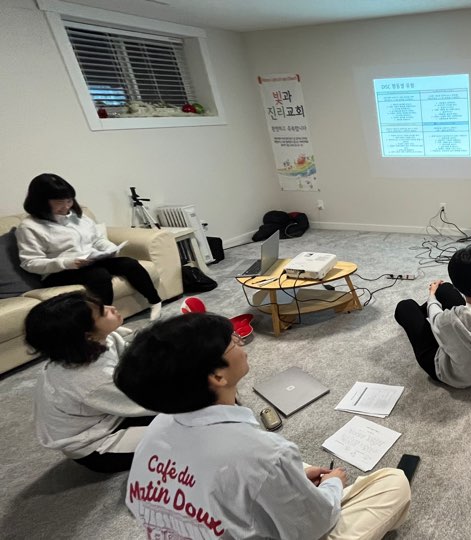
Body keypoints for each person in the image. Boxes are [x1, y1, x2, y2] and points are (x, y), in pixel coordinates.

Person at [114, 313, 411, 539]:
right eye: (232, 341)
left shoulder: (157, 428)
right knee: (393, 484)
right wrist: (333, 483)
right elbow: (315, 525)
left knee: (293, 468)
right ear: (217, 377)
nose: (240, 341)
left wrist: (292, 479)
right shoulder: (264, 454)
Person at [25, 292, 155, 473]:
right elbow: (149, 403)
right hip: (98, 446)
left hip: (111, 414)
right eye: (103, 313)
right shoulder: (90, 379)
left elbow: (133, 359)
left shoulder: (97, 342)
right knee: (184, 427)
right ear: (87, 335)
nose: (112, 308)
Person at [16, 173, 163, 320]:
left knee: (128, 263)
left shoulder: (78, 216)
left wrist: (110, 249)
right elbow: (30, 263)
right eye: (60, 202)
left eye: (69, 200)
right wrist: (67, 263)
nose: (66, 206)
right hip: (58, 272)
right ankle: (103, 322)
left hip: (89, 261)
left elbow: (97, 240)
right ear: (41, 202)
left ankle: (155, 301)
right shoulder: (29, 227)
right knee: (99, 275)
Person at [394, 246, 471, 388]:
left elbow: (435, 318)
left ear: (457, 287)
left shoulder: (450, 320)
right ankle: (421, 312)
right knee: (444, 289)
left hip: (451, 375)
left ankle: (418, 313)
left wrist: (432, 295)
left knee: (405, 307)